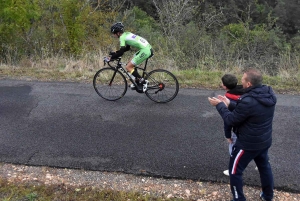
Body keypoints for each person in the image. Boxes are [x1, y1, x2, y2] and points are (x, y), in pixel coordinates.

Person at [208, 68, 276, 201]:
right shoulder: (268, 95)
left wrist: (219, 105)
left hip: (247, 144)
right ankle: (268, 196)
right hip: (264, 141)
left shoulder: (248, 100)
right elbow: (249, 111)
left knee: (234, 172)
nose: (241, 81)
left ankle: (239, 199)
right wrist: (229, 104)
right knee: (264, 168)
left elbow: (231, 120)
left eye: (243, 79)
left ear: (249, 84)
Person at [108, 22, 153, 90]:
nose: (114, 35)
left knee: (128, 67)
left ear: (118, 33)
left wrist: (111, 57)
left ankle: (143, 81)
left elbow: (121, 53)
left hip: (145, 50)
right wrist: (115, 53)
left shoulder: (122, 38)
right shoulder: (127, 34)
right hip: (147, 48)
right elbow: (127, 48)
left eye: (114, 33)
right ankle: (137, 81)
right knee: (130, 61)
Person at [220, 74, 244, 176]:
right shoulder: (245, 92)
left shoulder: (228, 99)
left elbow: (228, 119)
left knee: (233, 148)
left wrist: (227, 135)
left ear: (225, 86)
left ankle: (233, 170)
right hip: (250, 127)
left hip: (237, 129)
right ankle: (261, 163)